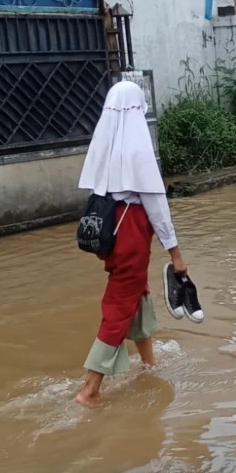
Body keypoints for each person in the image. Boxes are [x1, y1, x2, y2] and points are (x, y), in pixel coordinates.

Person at [74, 80, 201, 408]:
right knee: (119, 304)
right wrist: (175, 253)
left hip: (107, 231)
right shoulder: (137, 146)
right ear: (137, 107)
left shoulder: (106, 141)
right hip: (129, 232)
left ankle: (149, 365)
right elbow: (156, 203)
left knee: (134, 289)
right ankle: (90, 389)